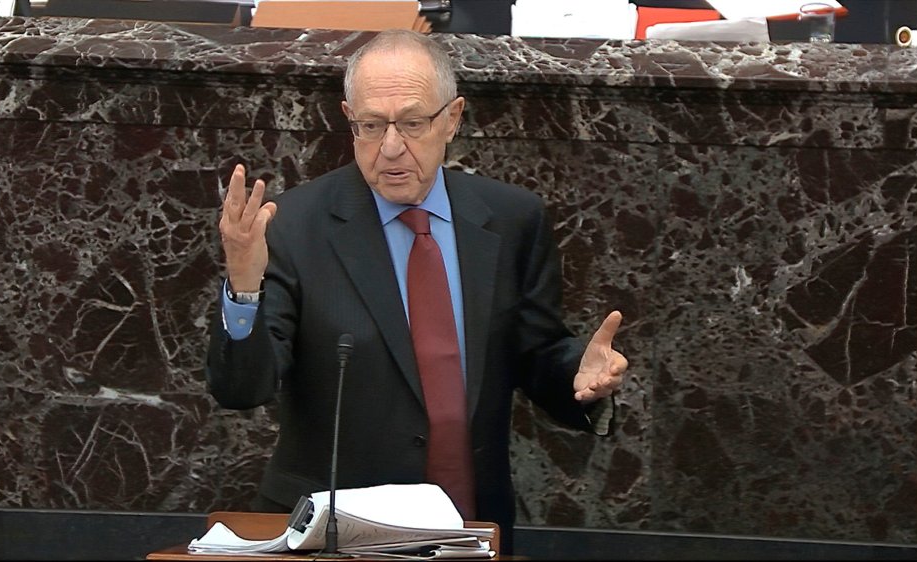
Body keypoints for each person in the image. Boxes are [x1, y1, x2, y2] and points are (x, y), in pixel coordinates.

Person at [205, 29, 628, 554]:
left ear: (452, 119)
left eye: (411, 123)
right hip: (335, 536)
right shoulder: (294, 225)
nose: (390, 147)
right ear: (348, 118)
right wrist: (244, 287)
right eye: (370, 126)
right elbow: (243, 390)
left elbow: (536, 352)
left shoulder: (511, 219)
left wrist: (578, 376)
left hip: (470, 526)